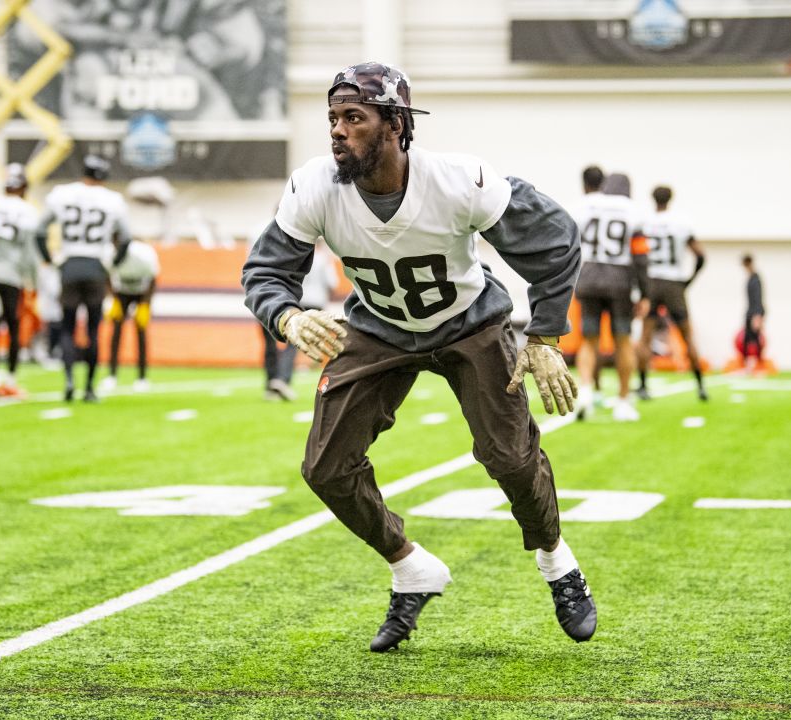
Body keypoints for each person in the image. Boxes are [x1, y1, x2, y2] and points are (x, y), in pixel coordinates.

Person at [242, 62, 592, 653]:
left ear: (397, 124)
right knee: (326, 468)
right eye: (332, 118)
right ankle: (410, 566)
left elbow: (556, 243)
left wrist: (545, 337)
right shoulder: (313, 186)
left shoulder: (460, 180)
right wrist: (290, 314)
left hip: (470, 322)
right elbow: (266, 271)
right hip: (378, 326)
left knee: (508, 457)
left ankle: (557, 560)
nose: (337, 130)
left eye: (353, 117)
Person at [35, 155, 131, 403]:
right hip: (96, 266)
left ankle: (68, 380)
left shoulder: (63, 194)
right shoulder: (112, 200)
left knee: (67, 328)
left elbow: (40, 230)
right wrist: (113, 265)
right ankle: (88, 387)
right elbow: (127, 237)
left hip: (69, 265)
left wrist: (50, 258)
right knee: (93, 330)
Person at [569, 169, 649, 422]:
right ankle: (623, 401)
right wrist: (645, 294)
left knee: (589, 340)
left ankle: (585, 391)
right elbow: (641, 256)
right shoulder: (632, 210)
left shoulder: (585, 205)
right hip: (619, 279)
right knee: (622, 341)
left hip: (589, 275)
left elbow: (568, 241)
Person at [636, 185, 707, 401]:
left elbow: (637, 255)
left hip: (652, 281)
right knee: (687, 335)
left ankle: (642, 385)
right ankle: (700, 386)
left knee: (645, 336)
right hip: (674, 282)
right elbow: (701, 256)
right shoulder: (682, 222)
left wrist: (641, 287)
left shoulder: (644, 222)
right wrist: (688, 282)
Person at [0, 164, 40, 398]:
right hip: (13, 276)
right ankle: (10, 380)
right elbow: (30, 253)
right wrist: (33, 282)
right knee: (13, 328)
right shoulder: (28, 212)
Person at [261, 240, 339, 401]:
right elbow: (333, 282)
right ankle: (282, 379)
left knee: (292, 341)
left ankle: (278, 378)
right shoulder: (323, 259)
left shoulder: (299, 257)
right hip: (316, 303)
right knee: (298, 345)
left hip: (298, 301)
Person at [101, 238, 161, 394]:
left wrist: (145, 304)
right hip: (121, 292)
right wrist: (112, 297)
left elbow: (154, 279)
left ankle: (142, 377)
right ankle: (112, 375)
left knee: (141, 334)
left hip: (142, 292)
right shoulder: (109, 253)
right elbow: (106, 276)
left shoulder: (144, 254)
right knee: (116, 333)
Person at [741, 253, 765, 373]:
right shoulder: (750, 278)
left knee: (755, 340)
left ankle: (759, 365)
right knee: (746, 340)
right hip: (750, 312)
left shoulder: (756, 279)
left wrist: (758, 315)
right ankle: (748, 366)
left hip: (755, 312)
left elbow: (758, 298)